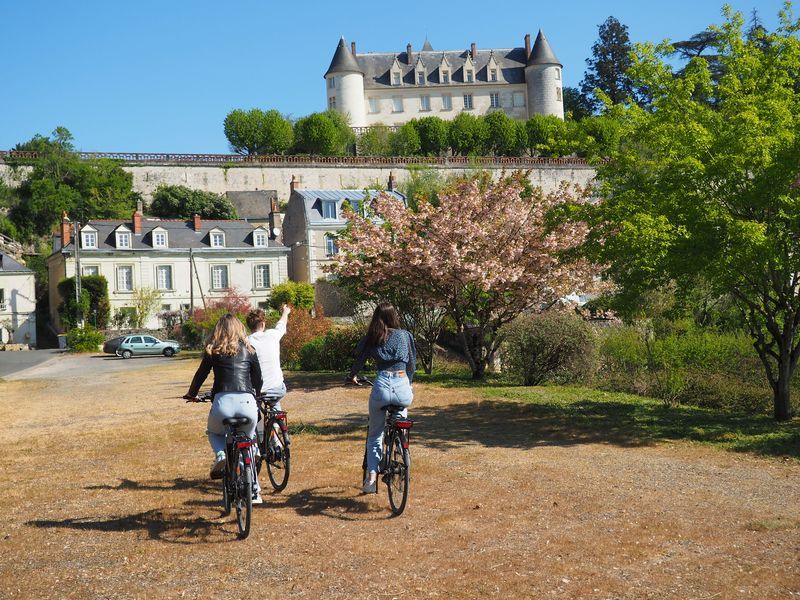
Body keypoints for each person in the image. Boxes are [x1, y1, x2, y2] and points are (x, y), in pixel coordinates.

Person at [184, 313, 264, 502]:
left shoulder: (213, 350)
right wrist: (257, 394)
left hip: (222, 403)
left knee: (214, 433)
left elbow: (200, 375)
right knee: (250, 439)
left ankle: (221, 455)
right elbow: (258, 379)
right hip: (247, 403)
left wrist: (192, 394)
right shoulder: (250, 350)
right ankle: (254, 489)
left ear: (218, 330)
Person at [349, 303, 416, 493]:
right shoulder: (405, 335)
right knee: (401, 420)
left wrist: (352, 375)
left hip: (382, 385)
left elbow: (359, 358)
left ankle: (371, 478)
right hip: (402, 386)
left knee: (375, 434)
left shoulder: (373, 337)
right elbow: (411, 365)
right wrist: (408, 382)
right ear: (394, 315)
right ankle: (402, 449)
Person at [246, 304, 290, 459]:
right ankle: (277, 439)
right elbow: (281, 323)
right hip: (278, 388)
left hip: (258, 391)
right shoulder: (272, 335)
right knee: (275, 406)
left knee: (255, 412)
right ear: (263, 324)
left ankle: (258, 444)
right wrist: (285, 311)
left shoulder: (246, 342)